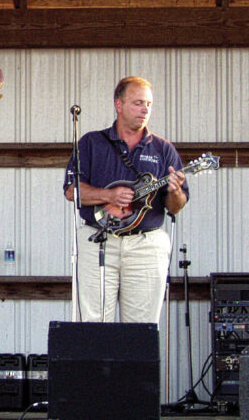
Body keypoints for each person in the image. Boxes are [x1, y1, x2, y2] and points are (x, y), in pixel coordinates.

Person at [64, 76, 187, 323]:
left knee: (141, 329)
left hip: (145, 244)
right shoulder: (91, 142)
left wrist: (174, 191)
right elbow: (71, 191)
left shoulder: (163, 149)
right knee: (93, 323)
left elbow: (175, 207)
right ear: (119, 105)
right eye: (138, 103)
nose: (145, 110)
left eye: (149, 104)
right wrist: (109, 195)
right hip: (98, 241)